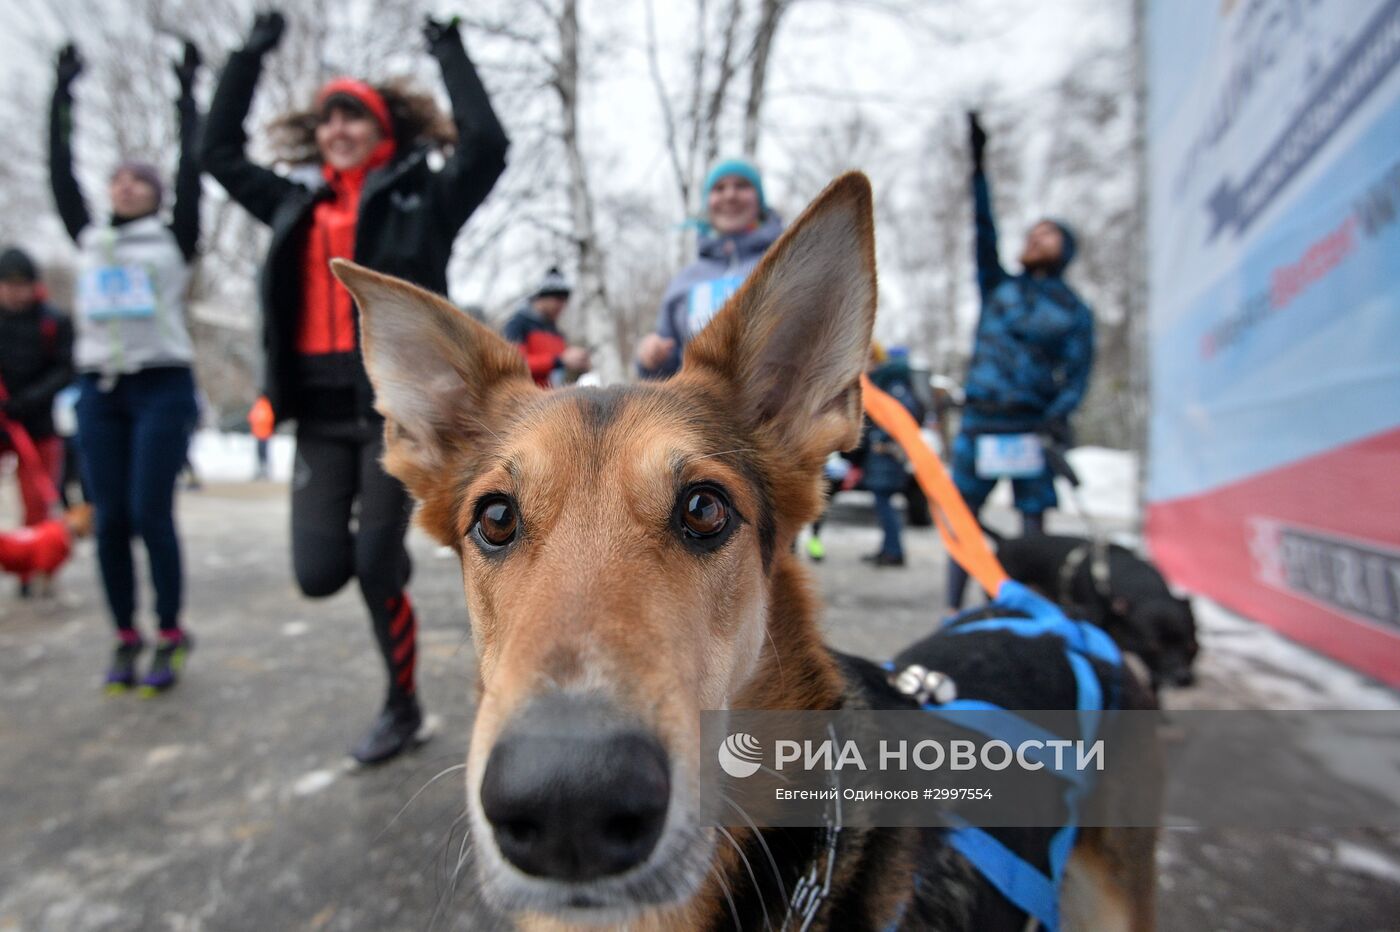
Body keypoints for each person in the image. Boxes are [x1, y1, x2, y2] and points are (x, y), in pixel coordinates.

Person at [203, 11, 509, 764]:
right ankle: (379, 559)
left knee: (376, 566)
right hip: (315, 409)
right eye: (329, 118)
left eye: (355, 117)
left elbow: (490, 146)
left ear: (384, 131)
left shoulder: (423, 197)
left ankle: (401, 706)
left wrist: (448, 46)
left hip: (394, 414)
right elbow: (214, 151)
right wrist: (249, 55)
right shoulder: (292, 202)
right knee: (317, 575)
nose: (339, 129)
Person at [49, 41, 204, 692]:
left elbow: (193, 166)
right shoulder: (88, 237)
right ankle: (125, 634)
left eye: (140, 179)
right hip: (99, 391)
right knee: (107, 518)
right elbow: (57, 168)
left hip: (161, 386)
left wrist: (186, 92)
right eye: (118, 178)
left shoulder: (174, 238)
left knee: (149, 511)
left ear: (156, 195)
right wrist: (62, 95)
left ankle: (170, 629)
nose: (125, 184)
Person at [946, 113, 1094, 609]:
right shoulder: (998, 287)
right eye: (1033, 231)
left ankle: (1026, 601)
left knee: (1033, 517)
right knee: (961, 514)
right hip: (980, 421)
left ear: (1065, 249)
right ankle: (955, 604)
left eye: (1049, 233)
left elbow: (1077, 374)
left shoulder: (1073, 311)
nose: (1036, 237)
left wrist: (1058, 417)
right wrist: (979, 165)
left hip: (1030, 428)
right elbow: (983, 230)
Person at [636, 159, 783, 378]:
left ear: (759, 199)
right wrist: (649, 356)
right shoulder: (686, 279)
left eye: (742, 185)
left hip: (781, 404)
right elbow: (666, 367)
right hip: (703, 406)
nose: (730, 195)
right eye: (719, 188)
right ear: (708, 201)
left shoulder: (782, 261)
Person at [0, 248, 74, 530]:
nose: (16, 293)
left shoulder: (53, 321)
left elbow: (66, 369)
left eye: (23, 286)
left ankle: (34, 564)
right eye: (9, 285)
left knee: (37, 499)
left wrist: (29, 399)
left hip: (37, 422)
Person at [862, 345, 924, 568]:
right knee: (882, 505)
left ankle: (894, 552)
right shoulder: (884, 381)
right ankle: (888, 548)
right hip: (882, 457)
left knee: (886, 505)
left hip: (887, 457)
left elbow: (902, 415)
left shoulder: (892, 383)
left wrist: (882, 439)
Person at [502, 267, 591, 387]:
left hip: (554, 398)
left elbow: (559, 372)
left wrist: (577, 364)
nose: (562, 306)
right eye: (558, 300)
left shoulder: (556, 331)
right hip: (529, 399)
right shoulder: (518, 324)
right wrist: (560, 361)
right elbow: (516, 365)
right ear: (542, 297)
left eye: (564, 301)